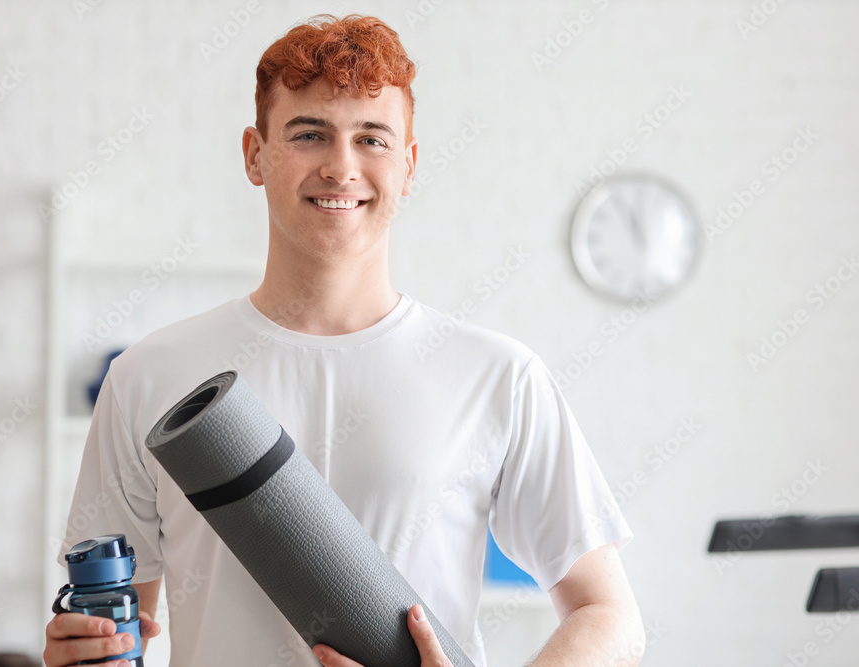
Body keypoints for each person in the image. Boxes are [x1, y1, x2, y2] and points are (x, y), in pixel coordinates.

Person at [44, 14, 644, 667]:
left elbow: (609, 616)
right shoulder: (151, 378)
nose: (341, 167)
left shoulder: (496, 375)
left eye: (372, 139)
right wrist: (81, 651)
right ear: (254, 154)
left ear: (409, 166)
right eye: (309, 134)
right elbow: (113, 617)